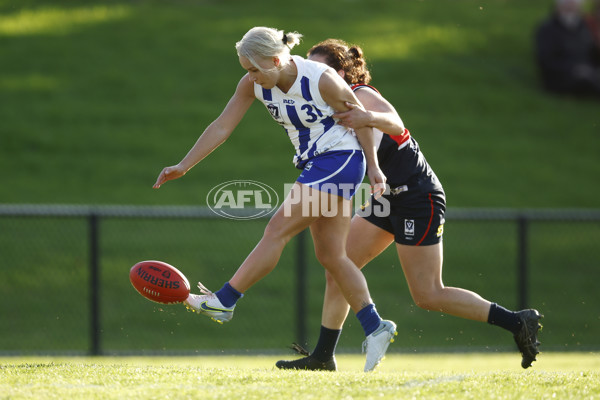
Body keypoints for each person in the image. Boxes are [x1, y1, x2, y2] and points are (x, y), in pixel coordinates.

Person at [275, 39, 543, 372]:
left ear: (341, 73)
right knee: (338, 266)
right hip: (386, 197)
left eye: (322, 68)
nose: (313, 74)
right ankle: (323, 356)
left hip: (418, 196)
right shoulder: (325, 104)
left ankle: (517, 322)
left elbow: (397, 126)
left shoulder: (361, 94)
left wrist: (365, 117)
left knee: (428, 294)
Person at [152, 27, 397, 372]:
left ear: (278, 59)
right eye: (245, 69)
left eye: (254, 69)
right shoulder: (253, 83)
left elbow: (364, 121)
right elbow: (222, 126)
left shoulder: (321, 79)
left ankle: (225, 300)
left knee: (276, 230)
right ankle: (376, 326)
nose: (249, 76)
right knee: (332, 256)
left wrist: (374, 167)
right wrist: (184, 165)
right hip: (320, 163)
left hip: (339, 159)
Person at [535, 0, 600, 97]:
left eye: (574, 4)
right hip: (561, 76)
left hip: (588, 72)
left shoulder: (584, 27)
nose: (571, 6)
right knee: (585, 81)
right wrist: (575, 69)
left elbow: (592, 53)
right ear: (558, 6)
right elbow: (545, 60)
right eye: (567, 3)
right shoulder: (547, 28)